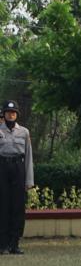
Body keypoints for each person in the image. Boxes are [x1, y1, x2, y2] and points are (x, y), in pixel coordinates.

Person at [0, 100, 35, 254]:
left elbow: (28, 157)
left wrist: (29, 180)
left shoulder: (24, 132)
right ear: (4, 114)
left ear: (17, 114)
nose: (11, 114)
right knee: (3, 206)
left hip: (18, 168)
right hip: (2, 168)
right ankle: (3, 244)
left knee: (18, 207)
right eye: (8, 112)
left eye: (13, 112)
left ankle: (15, 243)